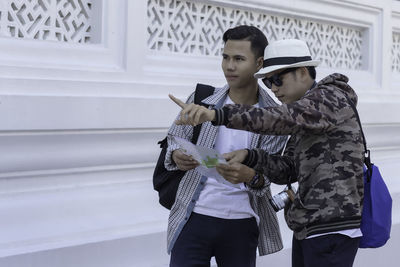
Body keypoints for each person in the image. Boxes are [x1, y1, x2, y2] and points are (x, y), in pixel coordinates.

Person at [169, 39, 364, 267]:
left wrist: (215, 115)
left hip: (332, 227)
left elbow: (277, 118)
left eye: (276, 79)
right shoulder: (305, 113)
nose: (273, 88)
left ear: (302, 72)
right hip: (310, 226)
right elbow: (288, 170)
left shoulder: (328, 98)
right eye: (268, 82)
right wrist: (250, 156)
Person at [164, 25, 288, 267]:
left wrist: (250, 176)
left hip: (241, 224)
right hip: (193, 217)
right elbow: (173, 141)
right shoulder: (202, 99)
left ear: (259, 63)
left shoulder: (274, 117)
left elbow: (268, 177)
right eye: (225, 57)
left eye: (239, 59)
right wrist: (178, 154)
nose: (229, 66)